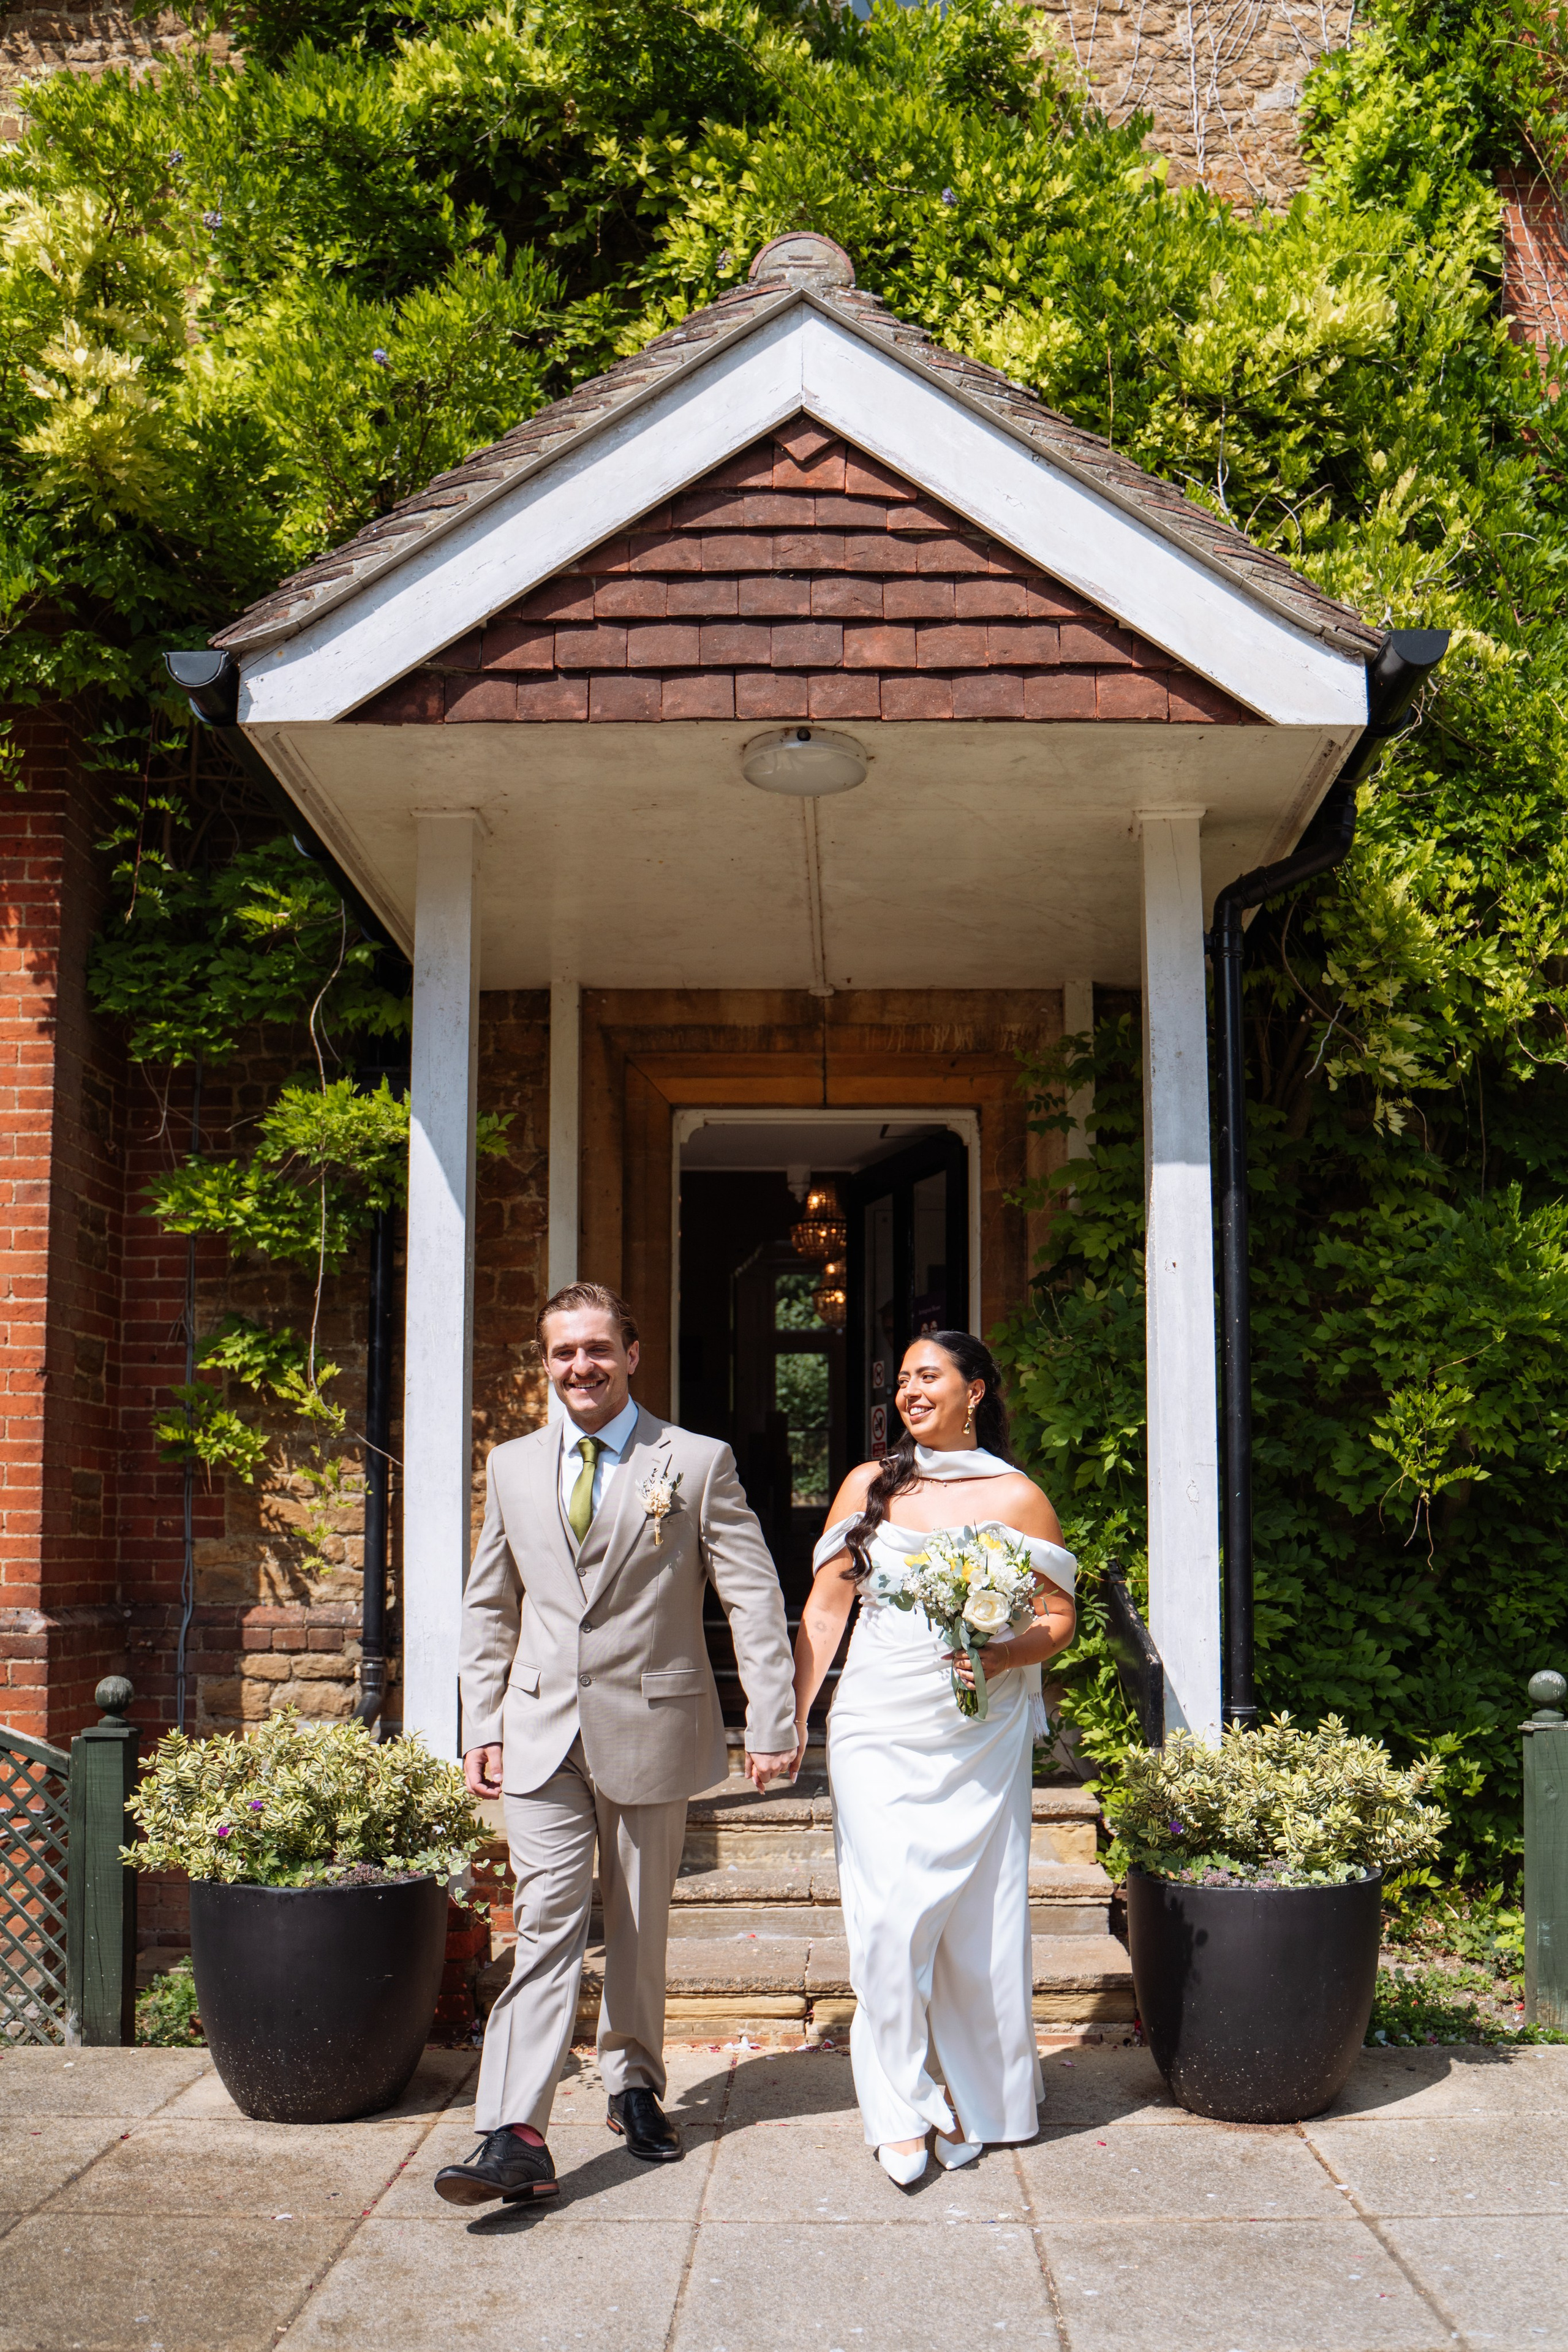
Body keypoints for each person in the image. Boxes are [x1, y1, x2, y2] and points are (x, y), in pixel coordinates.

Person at [434, 1282, 797, 2209]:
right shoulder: (512, 1465)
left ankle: (633, 2082)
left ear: (632, 1355)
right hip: (540, 1729)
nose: (581, 1367)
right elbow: (489, 1602)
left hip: (653, 1720)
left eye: (598, 1349)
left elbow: (749, 1594)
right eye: (563, 1353)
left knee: (638, 1924)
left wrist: (772, 1717)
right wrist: (483, 1721)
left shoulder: (697, 1461)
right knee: (546, 1919)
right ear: (545, 1362)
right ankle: (513, 2131)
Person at [790, 1332, 1076, 2187]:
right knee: (887, 1917)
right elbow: (823, 1609)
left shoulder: (1019, 1497)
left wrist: (1000, 1655)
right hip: (877, 1721)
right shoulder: (869, 1484)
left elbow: (1058, 1619)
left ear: (976, 1390)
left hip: (978, 1734)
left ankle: (986, 2100)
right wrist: (792, 1718)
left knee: (979, 1921)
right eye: (904, 1380)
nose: (912, 1392)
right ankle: (902, 2107)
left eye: (930, 1377)